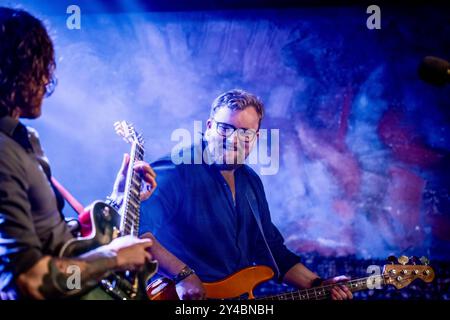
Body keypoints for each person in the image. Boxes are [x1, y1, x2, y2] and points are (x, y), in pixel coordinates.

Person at [0, 7, 157, 300]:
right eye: (39, 67)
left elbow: (55, 242)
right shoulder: (4, 153)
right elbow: (26, 282)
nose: (47, 81)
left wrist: (118, 199)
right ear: (11, 70)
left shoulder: (24, 140)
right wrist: (113, 257)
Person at [139, 89, 353, 300]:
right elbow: (137, 231)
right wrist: (183, 275)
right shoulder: (176, 170)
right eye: (225, 128)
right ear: (209, 126)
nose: (233, 139)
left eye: (245, 133)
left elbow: (269, 249)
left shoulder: (250, 182)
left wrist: (318, 284)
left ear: (256, 137)